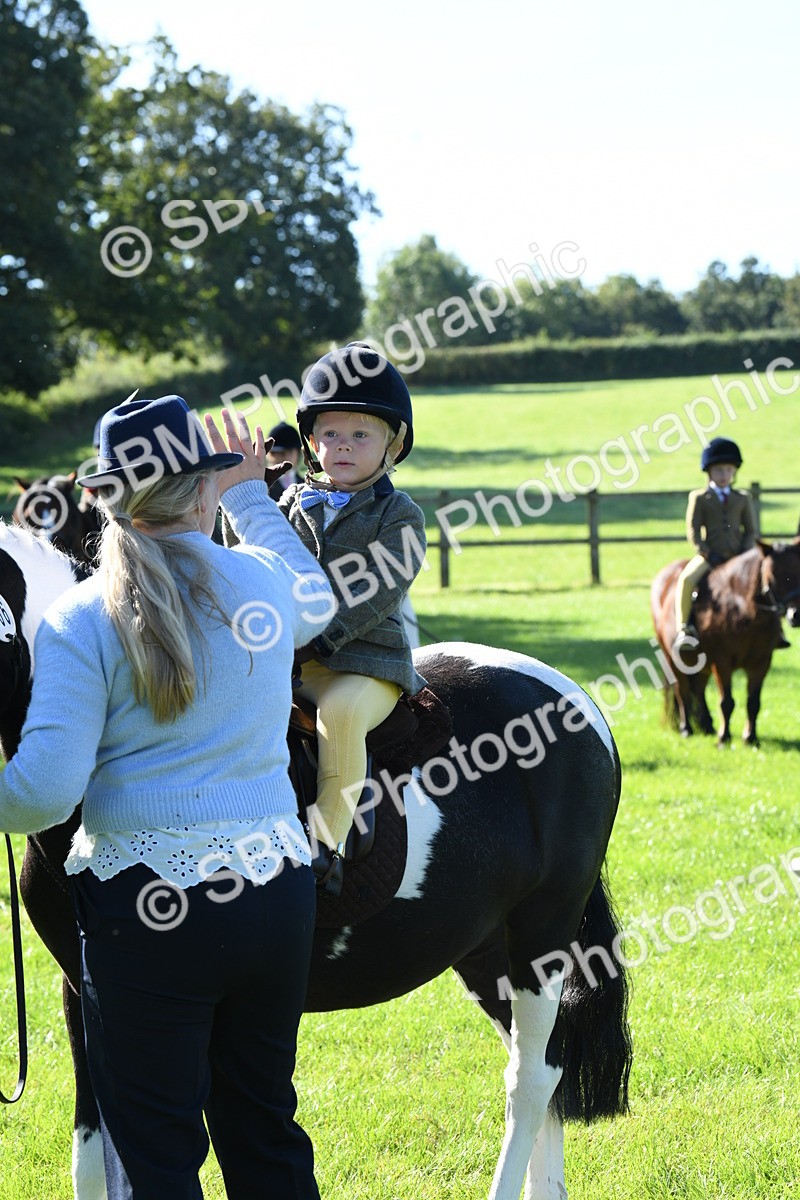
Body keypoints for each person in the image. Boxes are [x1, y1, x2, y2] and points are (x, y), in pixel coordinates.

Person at [0, 393, 335, 1199]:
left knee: (157, 1155)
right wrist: (252, 494)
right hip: (274, 897)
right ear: (201, 488)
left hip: (145, 912)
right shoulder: (259, 581)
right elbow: (317, 597)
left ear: (106, 499)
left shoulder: (83, 618)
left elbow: (41, 795)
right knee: (266, 1132)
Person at [277, 342, 427, 897]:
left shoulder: (399, 515)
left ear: (393, 444)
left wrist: (316, 636)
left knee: (339, 717)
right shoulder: (291, 504)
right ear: (312, 443)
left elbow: (377, 593)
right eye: (330, 435)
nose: (342, 446)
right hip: (291, 662)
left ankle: (323, 844)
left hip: (366, 664)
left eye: (360, 435)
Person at [673, 436, 789, 653]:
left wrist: (743, 553)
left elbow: (751, 530)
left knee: (767, 582)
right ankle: (683, 629)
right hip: (711, 556)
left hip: (739, 556)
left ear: (734, 472)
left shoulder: (742, 498)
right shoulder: (699, 498)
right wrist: (705, 552)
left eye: (728, 470)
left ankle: (777, 630)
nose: (724, 475)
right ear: (709, 472)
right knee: (686, 579)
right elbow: (693, 530)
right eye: (719, 470)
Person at [267, 420, 305, 500]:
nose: (287, 458)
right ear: (271, 454)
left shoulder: (306, 485)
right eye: (282, 453)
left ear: (298, 453)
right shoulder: (263, 487)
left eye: (290, 452)